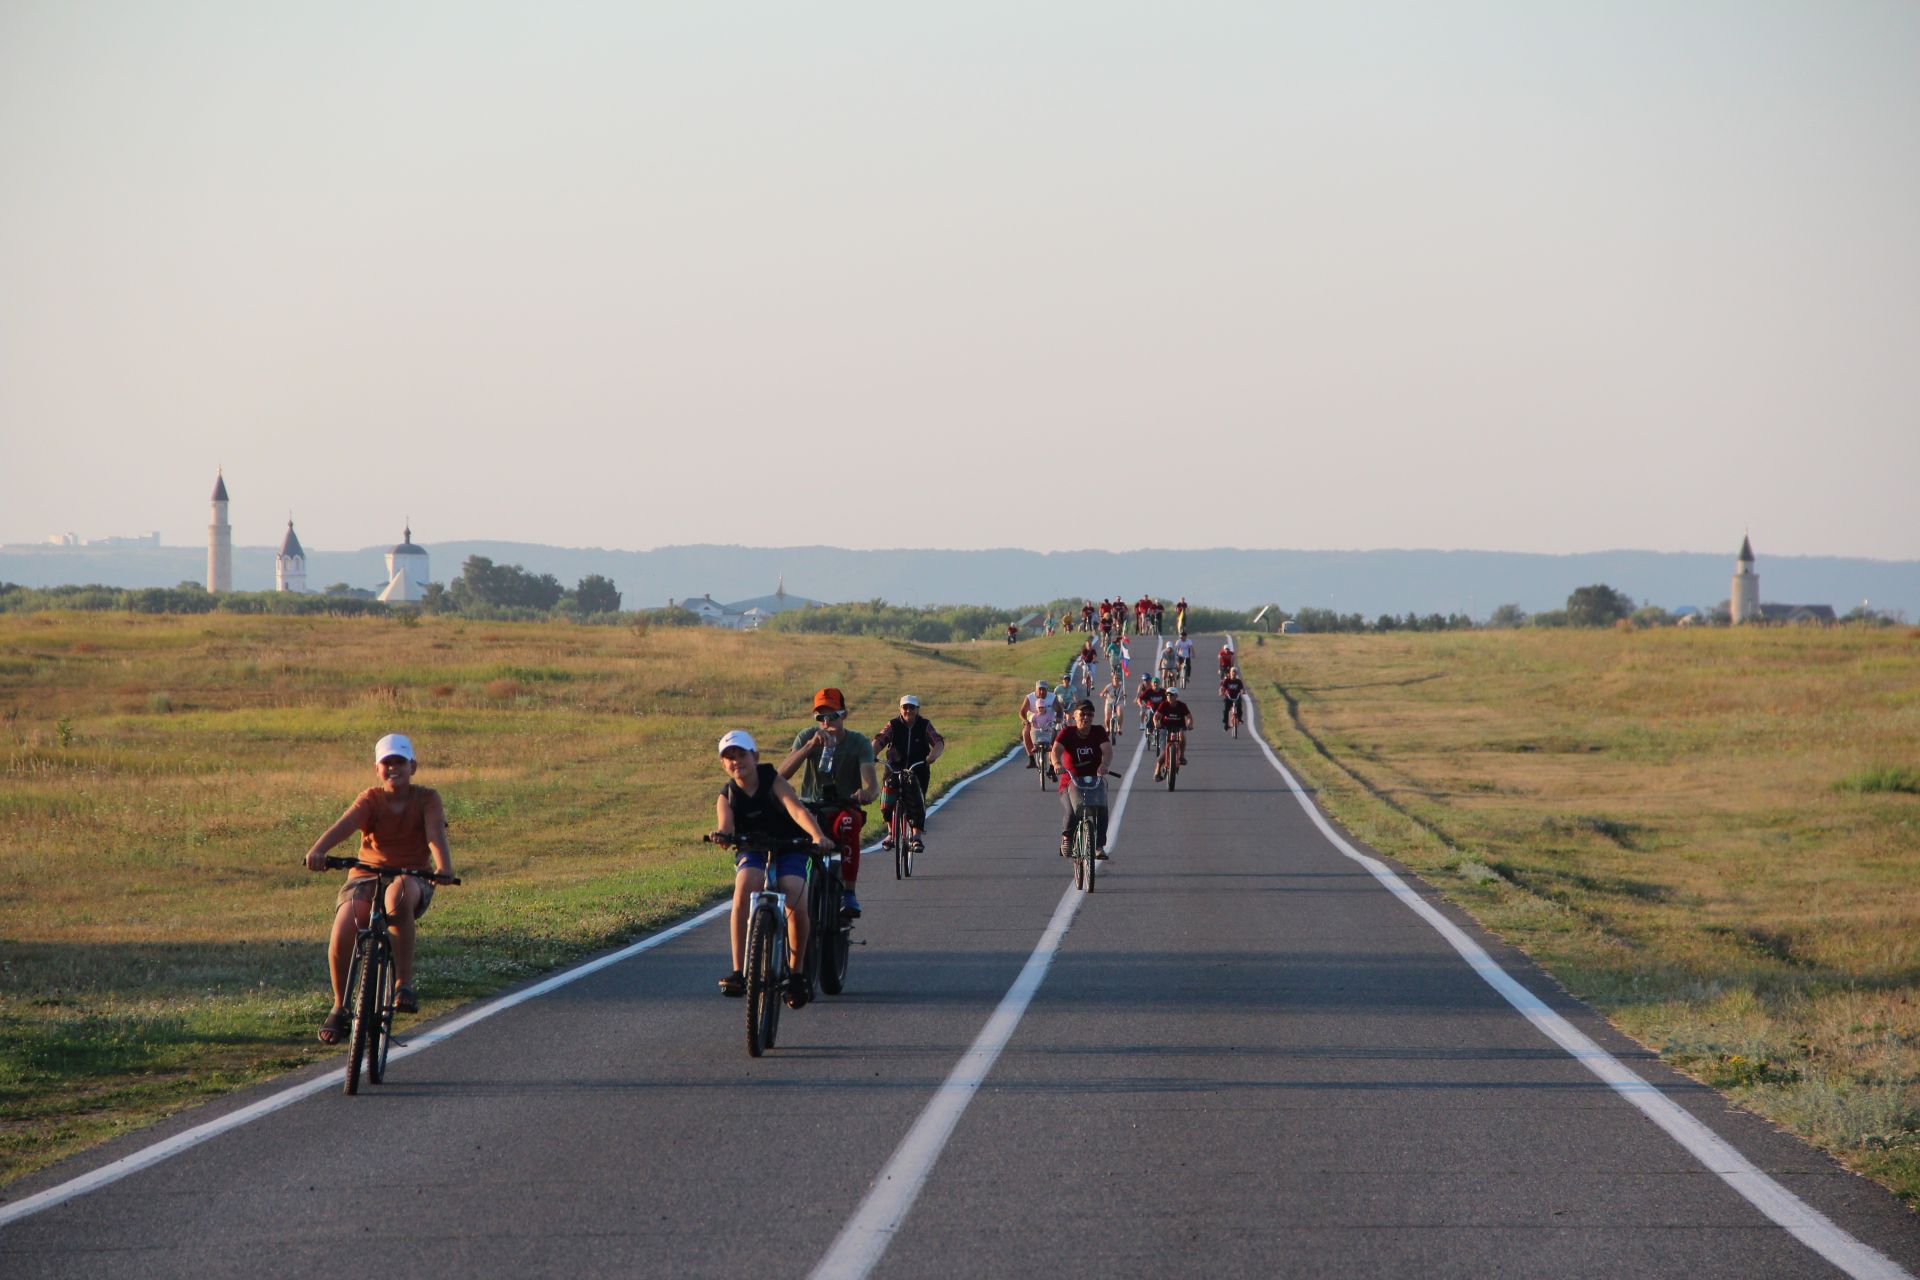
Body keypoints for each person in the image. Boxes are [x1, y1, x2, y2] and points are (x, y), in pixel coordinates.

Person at [304, 733, 454, 1045]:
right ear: (377, 769)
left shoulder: (427, 798)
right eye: (387, 763)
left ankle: (402, 984)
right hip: (366, 874)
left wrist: (443, 868)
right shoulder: (371, 798)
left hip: (411, 875)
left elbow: (434, 833)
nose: (393, 768)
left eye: (399, 762)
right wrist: (318, 850)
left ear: (412, 766)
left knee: (397, 897)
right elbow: (346, 824)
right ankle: (339, 1006)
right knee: (346, 922)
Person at [711, 730, 833, 1003]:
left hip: (790, 845)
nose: (736, 762)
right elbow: (725, 823)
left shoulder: (772, 780)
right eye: (729, 758)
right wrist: (722, 835)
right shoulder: (727, 794)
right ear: (723, 764)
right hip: (753, 849)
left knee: (793, 892)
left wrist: (816, 836)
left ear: (755, 756)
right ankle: (739, 972)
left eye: (741, 755)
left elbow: (796, 809)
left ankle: (796, 975)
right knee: (744, 886)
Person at [779, 688, 877, 918]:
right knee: (786, 835)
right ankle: (787, 894)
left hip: (841, 809)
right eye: (820, 717)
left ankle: (849, 893)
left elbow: (872, 786)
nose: (826, 722)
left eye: (832, 715)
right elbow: (780, 776)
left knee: (849, 823)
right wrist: (809, 747)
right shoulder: (807, 737)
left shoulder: (858, 742)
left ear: (844, 715)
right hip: (809, 810)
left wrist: (865, 793)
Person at [872, 694, 945, 855]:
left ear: (917, 710)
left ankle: (916, 836)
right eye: (905, 707)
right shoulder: (893, 725)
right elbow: (880, 740)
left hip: (917, 769)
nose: (908, 710)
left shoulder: (924, 725)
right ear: (900, 709)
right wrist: (872, 753)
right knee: (887, 798)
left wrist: (933, 755)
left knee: (917, 801)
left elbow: (938, 742)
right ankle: (891, 833)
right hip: (894, 768)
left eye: (912, 707)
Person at [1052, 700, 1113, 859]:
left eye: (1090, 715)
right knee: (1073, 812)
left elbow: (1107, 751)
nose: (1086, 718)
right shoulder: (1067, 732)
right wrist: (1057, 763)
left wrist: (1104, 765)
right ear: (1075, 716)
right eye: (1082, 714)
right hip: (1070, 782)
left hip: (1094, 782)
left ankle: (1098, 846)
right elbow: (1055, 751)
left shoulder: (1098, 731)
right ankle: (1067, 838)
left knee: (1102, 808)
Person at [1154, 685, 1194, 777]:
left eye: (1171, 695)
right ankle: (1157, 771)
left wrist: (1190, 724)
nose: (1169, 696)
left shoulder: (1182, 705)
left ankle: (1181, 756)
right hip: (1165, 727)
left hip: (1179, 727)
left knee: (1182, 734)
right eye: (1167, 695)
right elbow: (1156, 716)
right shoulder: (1163, 705)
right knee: (1163, 752)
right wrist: (1156, 723)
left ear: (1176, 696)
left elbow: (1189, 717)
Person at [1020, 678, 1060, 768]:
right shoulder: (1030, 697)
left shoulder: (1052, 697)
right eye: (1040, 689)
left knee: (1055, 736)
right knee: (1026, 732)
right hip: (1034, 723)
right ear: (1036, 690)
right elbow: (1022, 712)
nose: (1042, 692)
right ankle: (1031, 759)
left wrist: (1059, 718)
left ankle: (1052, 763)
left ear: (1047, 690)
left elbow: (1059, 709)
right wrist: (1025, 720)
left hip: (1048, 722)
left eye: (1044, 689)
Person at [1101, 670, 1127, 741]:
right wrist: (1102, 694)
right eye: (1115, 678)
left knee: (1120, 713)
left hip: (1118, 702)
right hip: (1109, 702)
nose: (1116, 680)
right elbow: (1103, 692)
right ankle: (1107, 728)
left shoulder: (1122, 687)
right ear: (1112, 679)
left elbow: (1125, 694)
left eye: (1117, 679)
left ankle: (1119, 728)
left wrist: (1124, 695)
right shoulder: (1109, 686)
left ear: (1119, 680)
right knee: (1107, 716)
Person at [1220, 666, 1247, 730]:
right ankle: (1226, 723)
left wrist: (1243, 691)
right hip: (1229, 697)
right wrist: (1222, 692)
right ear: (1230, 673)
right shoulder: (1227, 680)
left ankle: (1239, 719)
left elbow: (1242, 689)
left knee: (1239, 706)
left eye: (1235, 673)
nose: (1234, 674)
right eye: (1232, 672)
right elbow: (1223, 687)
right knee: (1226, 709)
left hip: (1236, 697)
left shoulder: (1238, 681)